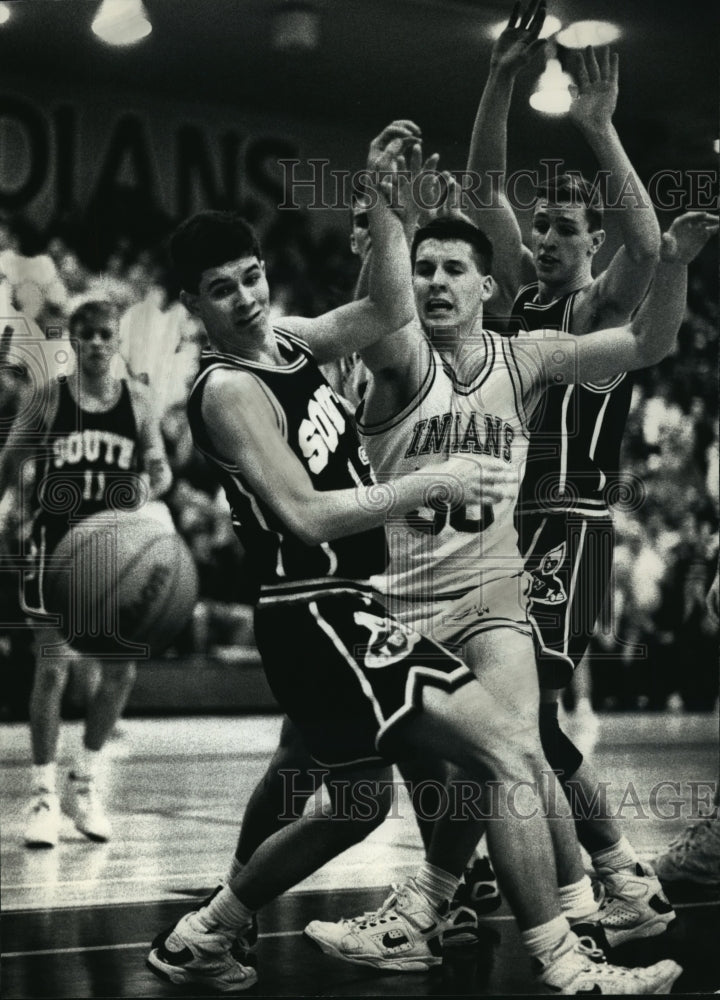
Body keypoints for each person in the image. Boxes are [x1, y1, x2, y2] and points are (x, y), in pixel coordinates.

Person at [145, 126, 688, 995]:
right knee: (488, 756)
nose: (245, 298)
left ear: (487, 286)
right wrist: (427, 480)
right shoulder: (233, 389)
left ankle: (210, 931)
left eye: (251, 277)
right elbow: (308, 513)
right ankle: (567, 947)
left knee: (386, 793)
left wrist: (385, 202)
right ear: (192, 303)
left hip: (394, 598)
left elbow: (383, 306)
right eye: (221, 290)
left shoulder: (292, 342)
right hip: (331, 602)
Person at [460, 0, 711, 944]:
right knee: (498, 717)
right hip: (505, 525)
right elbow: (484, 184)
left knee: (523, 717)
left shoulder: (594, 312)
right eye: (546, 225)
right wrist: (496, 81)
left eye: (569, 226)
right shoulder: (521, 292)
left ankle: (616, 876)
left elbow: (649, 250)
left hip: (568, 525)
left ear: (589, 243)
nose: (551, 237)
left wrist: (601, 131)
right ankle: (541, 870)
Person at [0, 299, 172, 847]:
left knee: (120, 673)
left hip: (115, 557)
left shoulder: (140, 402)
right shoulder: (47, 398)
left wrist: (145, 491)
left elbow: (161, 468)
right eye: (87, 335)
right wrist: (14, 505)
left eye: (106, 335)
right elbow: (9, 462)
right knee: (52, 668)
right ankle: (43, 796)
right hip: (53, 549)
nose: (97, 343)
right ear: (72, 341)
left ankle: (86, 782)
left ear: (117, 340)